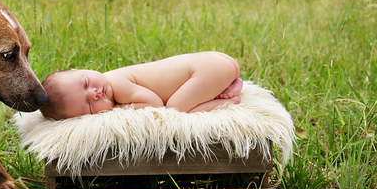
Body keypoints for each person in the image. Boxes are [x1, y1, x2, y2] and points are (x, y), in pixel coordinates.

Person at [40, 52, 242, 120]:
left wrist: (122, 109)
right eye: (89, 106)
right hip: (214, 62)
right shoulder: (113, 79)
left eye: (86, 83)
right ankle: (227, 84)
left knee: (175, 109)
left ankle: (227, 100)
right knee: (185, 98)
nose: (94, 93)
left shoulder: (117, 84)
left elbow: (153, 103)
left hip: (206, 69)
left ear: (79, 70)